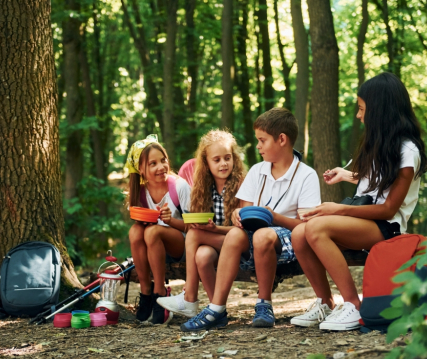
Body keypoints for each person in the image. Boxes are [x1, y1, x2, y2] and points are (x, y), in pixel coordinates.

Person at [290, 72, 427, 331]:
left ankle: (353, 305)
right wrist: (348, 175)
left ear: (379, 110)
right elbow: (378, 185)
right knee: (299, 233)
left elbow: (389, 207)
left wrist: (339, 209)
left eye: (362, 108)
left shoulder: (408, 151)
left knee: (316, 227)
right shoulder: (381, 143)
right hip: (366, 217)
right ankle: (325, 302)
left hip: (388, 226)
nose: (358, 115)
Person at [181, 108, 321, 332]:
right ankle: (216, 309)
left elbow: (308, 226)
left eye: (262, 141)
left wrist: (274, 217)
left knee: (264, 234)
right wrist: (238, 216)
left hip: (288, 240)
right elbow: (245, 217)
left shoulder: (306, 175)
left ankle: (264, 304)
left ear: (282, 139)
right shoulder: (257, 171)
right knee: (237, 233)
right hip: (252, 240)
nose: (258, 146)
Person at [157, 130, 247, 318]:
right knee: (202, 255)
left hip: (241, 242)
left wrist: (215, 229)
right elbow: (194, 224)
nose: (223, 163)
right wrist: (194, 223)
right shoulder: (203, 187)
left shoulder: (242, 184)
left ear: (234, 158)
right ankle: (218, 311)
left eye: (227, 158)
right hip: (216, 243)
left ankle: (189, 297)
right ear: (206, 163)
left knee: (194, 235)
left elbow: (245, 228)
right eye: (217, 160)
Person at [125, 135, 191, 325]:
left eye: (163, 160)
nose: (161, 167)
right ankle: (146, 292)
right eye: (153, 163)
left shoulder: (179, 186)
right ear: (141, 170)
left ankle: (160, 292)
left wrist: (169, 221)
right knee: (136, 231)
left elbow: (194, 226)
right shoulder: (141, 193)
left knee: (152, 232)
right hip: (152, 248)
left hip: (181, 245)